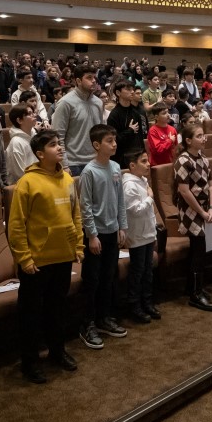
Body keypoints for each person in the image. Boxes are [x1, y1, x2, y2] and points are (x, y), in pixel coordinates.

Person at [8, 130, 83, 384]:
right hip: (37, 262)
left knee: (57, 309)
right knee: (31, 314)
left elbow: (76, 215)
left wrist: (78, 247)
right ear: (40, 154)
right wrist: (24, 259)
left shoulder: (68, 180)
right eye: (53, 145)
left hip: (63, 256)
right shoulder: (27, 183)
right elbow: (16, 225)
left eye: (59, 144)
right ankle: (30, 362)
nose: (59, 148)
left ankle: (57, 352)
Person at [78, 125, 128, 349]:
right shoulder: (89, 171)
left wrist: (122, 226)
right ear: (97, 145)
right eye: (109, 141)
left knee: (108, 277)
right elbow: (85, 206)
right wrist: (91, 235)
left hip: (112, 230)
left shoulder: (116, 167)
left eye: (115, 140)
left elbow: (120, 201)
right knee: (92, 280)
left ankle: (104, 317)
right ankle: (86, 324)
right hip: (96, 235)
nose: (114, 144)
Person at [174, 121, 212, 312]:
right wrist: (201, 212)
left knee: (200, 251)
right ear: (188, 140)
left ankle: (194, 287)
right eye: (199, 136)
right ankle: (195, 294)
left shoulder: (203, 158)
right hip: (191, 211)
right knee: (198, 250)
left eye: (203, 135)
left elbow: (211, 184)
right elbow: (184, 191)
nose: (203, 138)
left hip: (206, 209)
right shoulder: (183, 160)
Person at [121, 149, 161, 324]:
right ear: (132, 165)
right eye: (143, 161)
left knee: (148, 270)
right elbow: (135, 210)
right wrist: (150, 198)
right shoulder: (129, 185)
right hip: (137, 235)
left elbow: (149, 213)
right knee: (137, 272)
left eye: (148, 161)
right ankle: (134, 306)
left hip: (148, 232)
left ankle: (147, 302)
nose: (148, 164)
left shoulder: (143, 180)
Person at [52, 65, 104, 176]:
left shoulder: (98, 102)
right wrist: (64, 165)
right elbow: (57, 136)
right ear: (79, 81)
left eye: (94, 77)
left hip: (95, 161)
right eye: (89, 78)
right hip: (73, 164)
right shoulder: (65, 103)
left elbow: (100, 133)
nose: (94, 81)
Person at [5, 103, 37, 184]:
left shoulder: (35, 136)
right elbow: (20, 173)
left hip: (38, 180)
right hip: (22, 185)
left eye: (33, 112)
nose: (34, 115)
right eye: (29, 114)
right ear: (19, 120)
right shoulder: (16, 142)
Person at [146, 101, 178, 167]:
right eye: (164, 113)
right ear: (156, 117)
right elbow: (157, 150)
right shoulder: (153, 131)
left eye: (167, 112)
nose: (168, 115)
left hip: (171, 163)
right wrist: (170, 141)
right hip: (157, 165)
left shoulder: (172, 129)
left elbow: (176, 148)